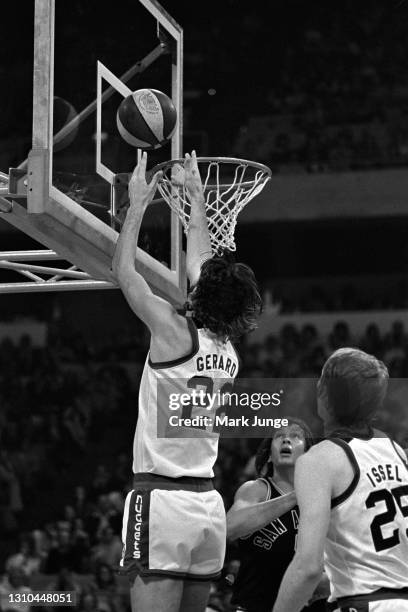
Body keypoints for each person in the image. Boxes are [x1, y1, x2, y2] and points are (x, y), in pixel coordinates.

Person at [112, 151, 262, 612]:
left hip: (162, 499)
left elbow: (125, 273)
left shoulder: (175, 334)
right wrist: (197, 199)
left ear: (200, 295)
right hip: (206, 505)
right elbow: (202, 261)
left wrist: (137, 204)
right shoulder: (228, 353)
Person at [273, 348, 408, 612]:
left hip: (366, 602)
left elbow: (308, 568)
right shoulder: (395, 451)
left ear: (323, 394)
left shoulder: (319, 460)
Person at [227, 419, 329, 612]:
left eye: (295, 436)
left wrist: (327, 579)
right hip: (256, 606)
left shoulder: (322, 497)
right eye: (279, 436)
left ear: (308, 454)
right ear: (269, 456)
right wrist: (295, 496)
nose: (286, 440)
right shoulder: (256, 490)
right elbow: (230, 527)